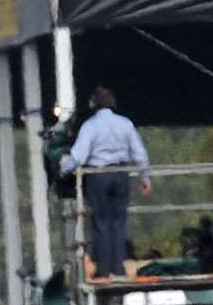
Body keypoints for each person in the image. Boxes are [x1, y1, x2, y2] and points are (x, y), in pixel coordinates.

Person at [60, 85, 150, 279]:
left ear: (94, 105)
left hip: (98, 174)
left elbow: (79, 156)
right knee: (118, 222)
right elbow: (140, 154)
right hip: (121, 173)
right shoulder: (125, 123)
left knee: (101, 222)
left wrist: (64, 168)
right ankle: (118, 268)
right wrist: (144, 177)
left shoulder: (90, 126)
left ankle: (104, 269)